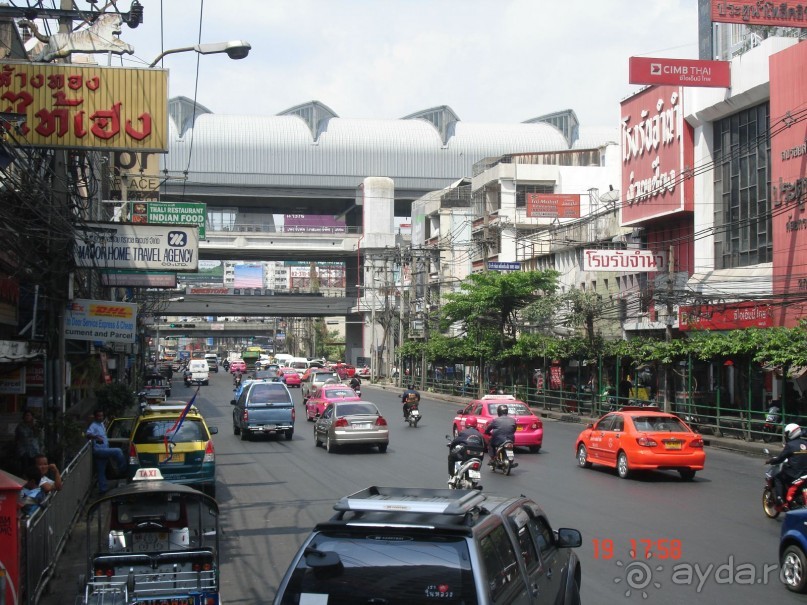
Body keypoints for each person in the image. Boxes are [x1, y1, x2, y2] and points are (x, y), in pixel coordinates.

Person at [86, 409, 127, 495]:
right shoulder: (93, 425)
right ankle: (123, 470)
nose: (101, 417)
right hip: (99, 450)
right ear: (95, 417)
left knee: (101, 471)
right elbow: (88, 434)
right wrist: (96, 437)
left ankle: (103, 490)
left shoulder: (101, 424)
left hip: (103, 449)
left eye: (102, 416)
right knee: (118, 451)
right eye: (99, 416)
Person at [766, 423, 807, 504]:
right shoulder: (805, 443)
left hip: (794, 473)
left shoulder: (790, 445)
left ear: (791, 433)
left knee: (778, 477)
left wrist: (771, 461)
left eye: (787, 434)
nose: (786, 436)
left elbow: (780, 459)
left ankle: (779, 499)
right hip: (805, 473)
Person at [15, 410, 43, 475]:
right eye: (26, 415)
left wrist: (34, 426)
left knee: (34, 466)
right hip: (23, 449)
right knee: (25, 466)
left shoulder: (35, 425)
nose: (27, 417)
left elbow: (38, 435)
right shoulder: (20, 426)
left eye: (29, 415)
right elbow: (19, 436)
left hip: (34, 449)